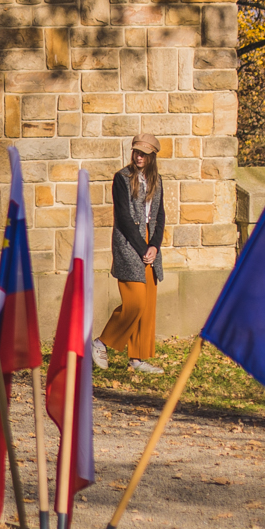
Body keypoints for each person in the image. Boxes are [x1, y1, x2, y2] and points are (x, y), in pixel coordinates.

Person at [96, 132, 167, 374]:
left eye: (144, 153)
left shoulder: (157, 180)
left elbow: (159, 216)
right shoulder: (122, 178)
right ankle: (101, 342)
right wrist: (142, 248)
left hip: (149, 243)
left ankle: (137, 359)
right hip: (129, 243)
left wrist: (155, 246)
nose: (139, 157)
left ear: (152, 156)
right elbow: (125, 219)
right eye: (137, 151)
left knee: (147, 304)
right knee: (135, 302)